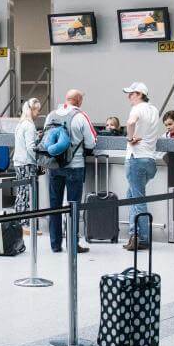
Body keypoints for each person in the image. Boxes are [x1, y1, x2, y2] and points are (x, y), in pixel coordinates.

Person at [45, 89, 96, 253]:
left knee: (54, 205)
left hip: (54, 167)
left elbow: (46, 140)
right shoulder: (80, 116)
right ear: (79, 101)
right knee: (73, 206)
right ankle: (73, 244)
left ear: (66, 99)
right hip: (75, 166)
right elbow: (91, 143)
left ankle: (55, 244)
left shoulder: (51, 115)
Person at [123, 81, 161, 252]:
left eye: (131, 93)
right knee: (132, 195)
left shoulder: (137, 108)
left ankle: (141, 238)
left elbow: (130, 123)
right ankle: (135, 235)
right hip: (150, 160)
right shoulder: (154, 110)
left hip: (136, 157)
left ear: (139, 94)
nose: (128, 96)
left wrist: (130, 138)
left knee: (138, 200)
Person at [12, 98, 42, 217]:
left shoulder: (21, 124)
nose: (38, 113)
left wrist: (35, 135)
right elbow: (30, 148)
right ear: (32, 110)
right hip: (27, 163)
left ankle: (18, 221)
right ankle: (24, 223)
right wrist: (38, 161)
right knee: (26, 194)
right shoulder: (29, 126)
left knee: (21, 192)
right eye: (37, 110)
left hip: (18, 162)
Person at [162, 110, 174, 191]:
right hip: (171, 169)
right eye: (166, 125)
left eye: (170, 124)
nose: (168, 127)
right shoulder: (164, 136)